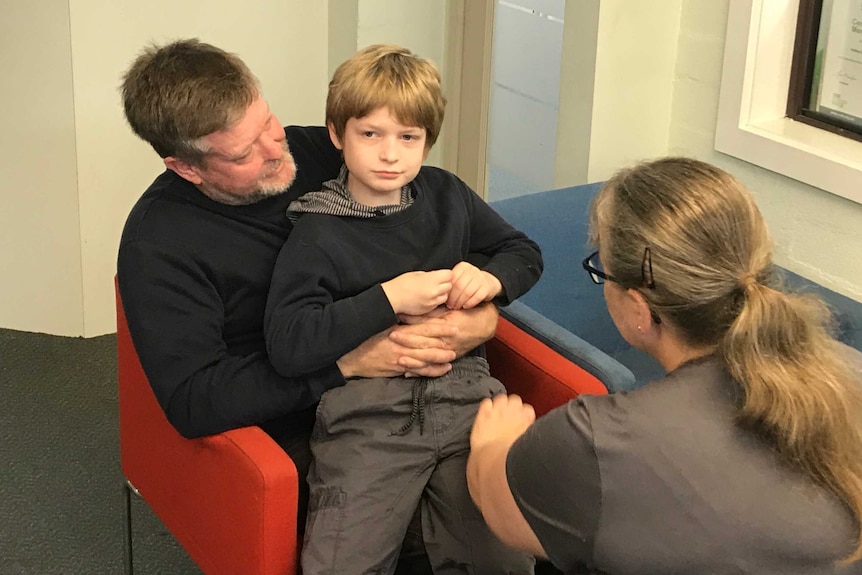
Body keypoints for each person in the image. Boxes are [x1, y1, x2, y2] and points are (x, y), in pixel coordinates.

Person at [117, 38, 501, 571]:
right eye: (244, 152)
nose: (277, 150)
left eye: (268, 123)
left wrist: (481, 320)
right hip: (296, 412)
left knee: (508, 510)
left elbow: (463, 243)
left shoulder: (331, 152)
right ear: (187, 168)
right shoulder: (157, 246)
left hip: (421, 382)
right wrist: (347, 365)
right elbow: (194, 400)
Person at [466, 157, 862, 575]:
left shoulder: (598, 440)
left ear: (639, 308)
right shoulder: (848, 372)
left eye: (603, 271)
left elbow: (505, 514)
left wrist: (494, 445)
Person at [263, 44, 540, 574]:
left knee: (505, 557)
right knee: (342, 564)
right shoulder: (316, 230)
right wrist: (388, 298)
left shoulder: (446, 195)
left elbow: (523, 252)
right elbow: (289, 341)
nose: (390, 155)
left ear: (426, 141)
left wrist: (488, 279)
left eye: (408, 137)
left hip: (467, 402)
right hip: (367, 416)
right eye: (371, 134)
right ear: (337, 135)